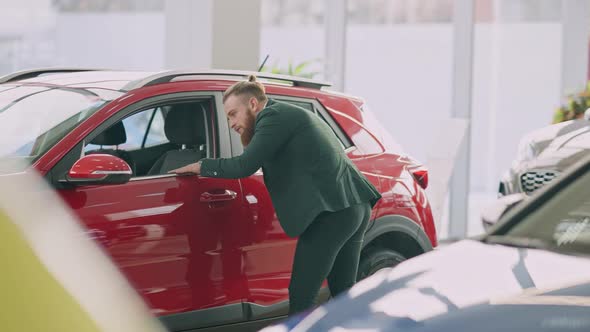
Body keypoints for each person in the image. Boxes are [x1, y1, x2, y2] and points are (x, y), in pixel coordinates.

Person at [169, 75, 381, 315]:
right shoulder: (285, 115)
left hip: (332, 214)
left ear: (252, 104)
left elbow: (243, 166)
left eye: (232, 114)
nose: (231, 123)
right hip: (353, 207)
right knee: (343, 293)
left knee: (302, 296)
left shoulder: (273, 117)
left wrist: (201, 166)